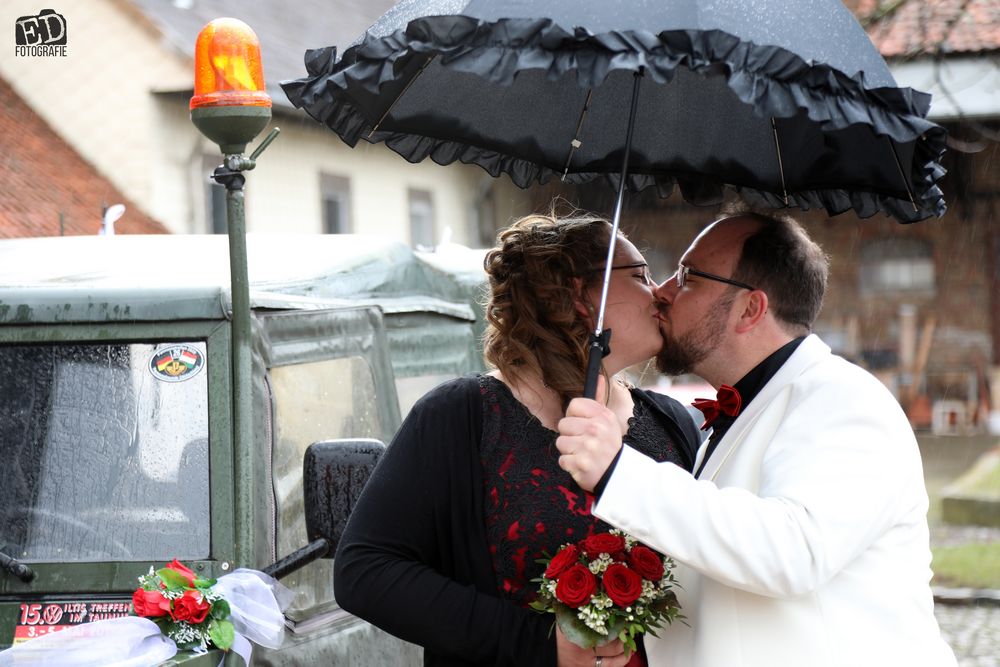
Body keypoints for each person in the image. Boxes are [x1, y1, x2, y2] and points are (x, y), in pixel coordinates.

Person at [556, 204, 958, 667]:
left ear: (750, 308)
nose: (662, 292)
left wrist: (618, 473)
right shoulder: (746, 408)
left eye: (688, 277)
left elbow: (793, 551)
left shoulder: (844, 400)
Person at [333, 211, 700, 667]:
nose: (662, 292)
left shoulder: (671, 422)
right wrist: (541, 646)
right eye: (641, 275)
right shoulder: (462, 416)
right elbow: (365, 571)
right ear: (579, 293)